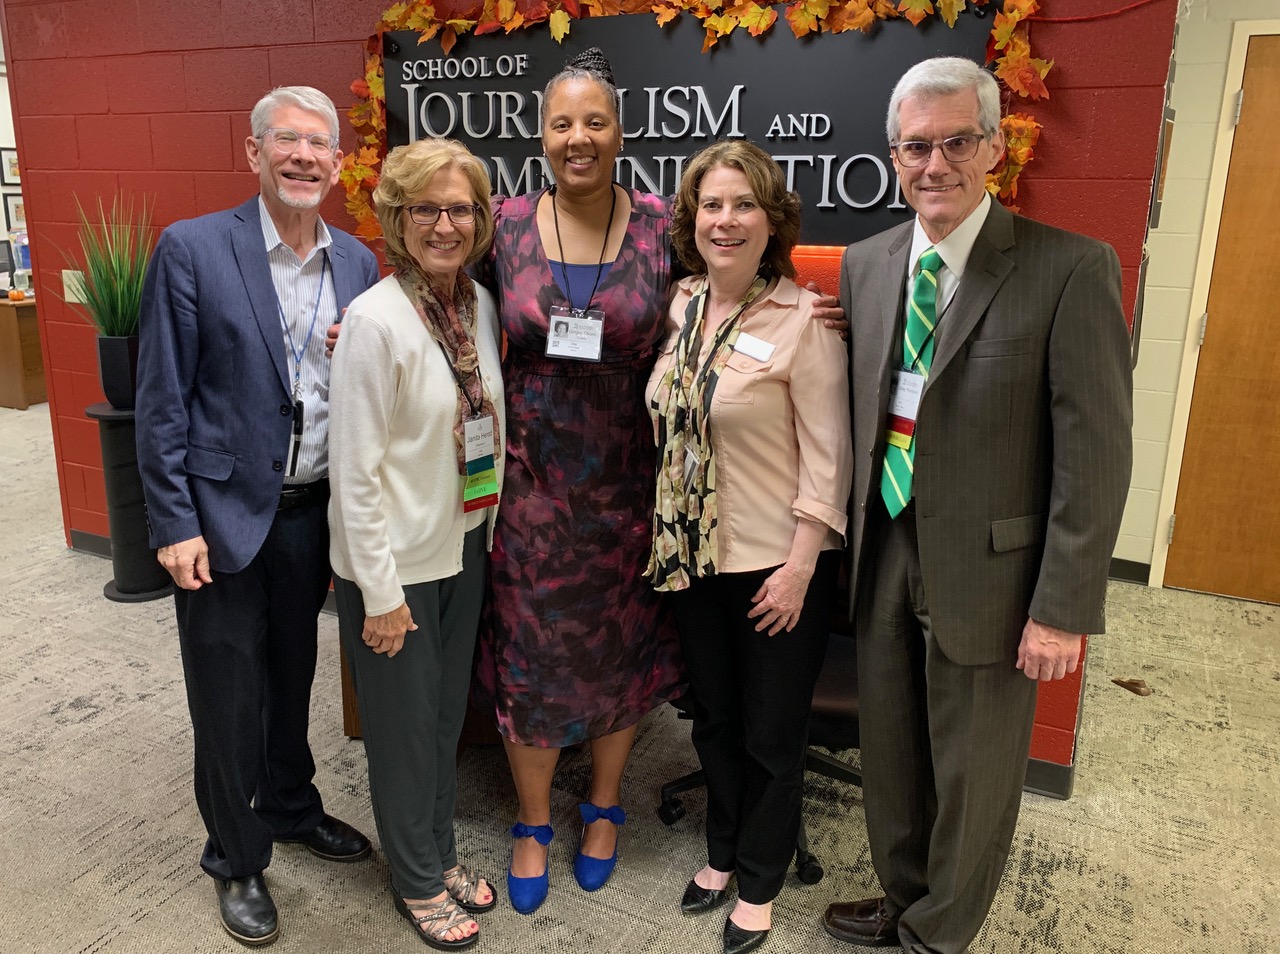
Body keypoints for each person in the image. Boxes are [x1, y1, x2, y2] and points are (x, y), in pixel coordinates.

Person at [821, 57, 1133, 952]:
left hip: (997, 572)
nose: (935, 164)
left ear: (994, 146)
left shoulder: (1068, 269)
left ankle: (941, 934)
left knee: (975, 768)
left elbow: (1097, 453)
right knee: (893, 748)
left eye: (957, 141)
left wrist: (1063, 608)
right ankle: (904, 894)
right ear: (892, 154)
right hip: (886, 545)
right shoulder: (870, 264)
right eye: (916, 146)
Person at [135, 86, 379, 947]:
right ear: (254, 152)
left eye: (321, 145)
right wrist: (172, 523)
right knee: (228, 697)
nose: (305, 157)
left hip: (311, 514)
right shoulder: (194, 249)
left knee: (291, 676)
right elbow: (160, 401)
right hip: (219, 518)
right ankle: (236, 857)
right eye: (288, 141)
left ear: (339, 164)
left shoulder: (357, 262)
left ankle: (288, 804)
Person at [471, 47, 685, 914]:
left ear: (621, 132)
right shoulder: (506, 226)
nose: (578, 137)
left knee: (619, 654)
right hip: (528, 489)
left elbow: (727, 301)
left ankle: (602, 806)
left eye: (595, 121)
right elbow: (449, 303)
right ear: (542, 135)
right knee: (530, 655)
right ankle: (531, 821)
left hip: (631, 491)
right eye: (562, 123)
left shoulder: (666, 227)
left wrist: (806, 312)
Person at [647, 140, 852, 954]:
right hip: (691, 560)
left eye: (742, 205)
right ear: (692, 220)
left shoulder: (805, 320)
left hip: (776, 566)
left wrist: (802, 567)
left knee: (770, 732)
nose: (724, 220)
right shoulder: (680, 306)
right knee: (714, 721)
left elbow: (828, 458)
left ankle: (761, 880)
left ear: (772, 223)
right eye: (711, 205)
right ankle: (723, 851)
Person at [328, 137, 503, 950]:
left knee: (440, 723)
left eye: (460, 208)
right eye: (426, 209)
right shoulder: (374, 319)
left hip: (464, 544)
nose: (445, 224)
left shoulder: (476, 305)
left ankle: (437, 852)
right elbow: (353, 474)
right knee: (401, 736)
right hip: (395, 567)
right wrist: (379, 592)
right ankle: (416, 880)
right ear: (397, 219)